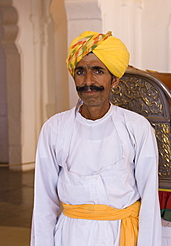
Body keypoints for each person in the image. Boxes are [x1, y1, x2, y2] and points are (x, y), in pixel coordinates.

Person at [31, 31, 162, 245]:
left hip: (121, 234)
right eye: (81, 71)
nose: (88, 81)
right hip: (70, 236)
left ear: (115, 80)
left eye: (98, 71)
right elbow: (44, 203)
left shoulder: (137, 128)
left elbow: (149, 201)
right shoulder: (54, 128)